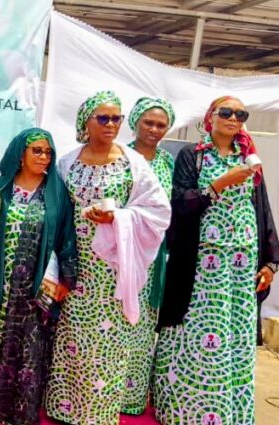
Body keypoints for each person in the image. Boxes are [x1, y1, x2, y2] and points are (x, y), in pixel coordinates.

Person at [44, 91, 170, 425]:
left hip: (116, 268)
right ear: (86, 122)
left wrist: (118, 218)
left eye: (116, 118)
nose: (111, 124)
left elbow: (158, 211)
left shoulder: (133, 163)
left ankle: (98, 414)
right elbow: (55, 212)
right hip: (77, 266)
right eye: (103, 118)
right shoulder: (67, 163)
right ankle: (65, 408)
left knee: (109, 344)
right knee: (73, 337)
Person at [154, 96, 279, 425]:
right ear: (210, 117)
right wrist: (220, 184)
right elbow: (180, 203)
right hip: (201, 264)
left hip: (241, 266)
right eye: (226, 112)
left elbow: (262, 209)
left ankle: (227, 414)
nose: (233, 118)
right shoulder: (193, 156)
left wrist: (271, 262)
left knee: (233, 333)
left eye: (241, 113)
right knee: (196, 330)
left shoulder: (249, 157)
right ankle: (184, 411)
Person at [0, 128, 78, 425]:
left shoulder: (57, 194)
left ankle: (20, 411)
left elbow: (66, 238)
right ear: (20, 154)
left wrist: (65, 279)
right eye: (37, 150)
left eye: (48, 152)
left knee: (30, 348)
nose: (44, 157)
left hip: (36, 287)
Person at [120, 97, 176, 415]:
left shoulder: (168, 162)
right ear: (135, 122)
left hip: (154, 260)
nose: (154, 129)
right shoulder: (121, 156)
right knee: (118, 322)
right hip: (122, 256)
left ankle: (133, 398)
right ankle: (109, 393)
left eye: (161, 125)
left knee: (143, 326)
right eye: (148, 123)